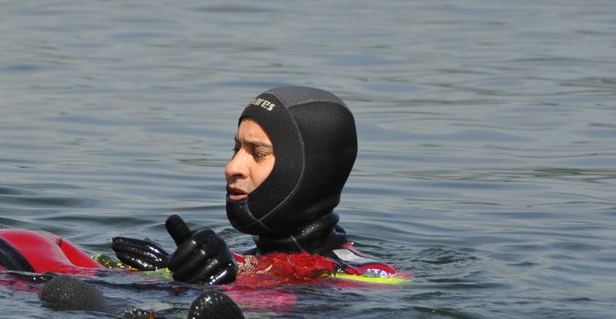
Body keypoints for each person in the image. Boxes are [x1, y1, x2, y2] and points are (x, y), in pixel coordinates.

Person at [111, 85, 402, 287]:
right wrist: (168, 277)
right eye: (235, 149)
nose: (232, 167)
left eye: (258, 153)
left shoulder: (368, 276)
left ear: (307, 171)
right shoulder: (240, 261)